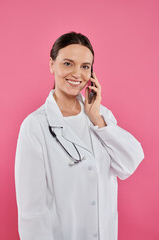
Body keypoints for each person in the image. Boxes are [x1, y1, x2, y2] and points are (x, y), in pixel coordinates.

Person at [15, 31, 144, 240]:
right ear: (51, 65)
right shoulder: (36, 125)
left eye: (85, 66)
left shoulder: (102, 116)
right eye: (68, 63)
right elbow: (32, 212)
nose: (77, 74)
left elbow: (130, 162)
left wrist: (98, 121)